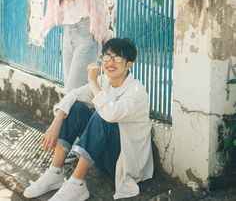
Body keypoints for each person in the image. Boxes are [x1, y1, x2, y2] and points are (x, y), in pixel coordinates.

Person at [23, 38, 154, 200]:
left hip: (125, 164)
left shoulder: (136, 91)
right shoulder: (104, 82)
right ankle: (55, 172)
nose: (110, 63)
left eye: (118, 58)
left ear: (128, 65)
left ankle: (77, 184)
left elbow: (110, 114)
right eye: (107, 56)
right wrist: (55, 123)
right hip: (103, 158)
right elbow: (73, 95)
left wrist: (92, 80)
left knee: (103, 115)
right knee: (76, 107)